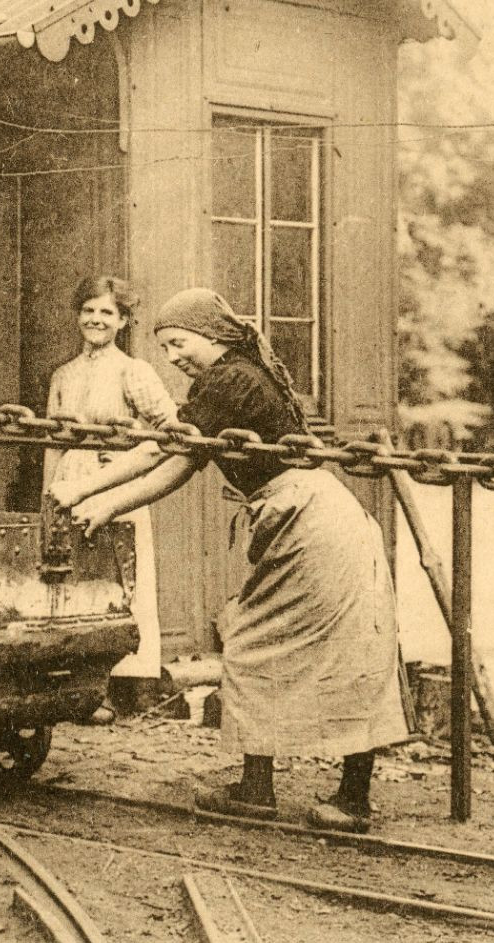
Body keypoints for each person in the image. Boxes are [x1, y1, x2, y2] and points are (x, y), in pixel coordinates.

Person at [49, 288, 407, 833]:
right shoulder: (234, 377)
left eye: (178, 343)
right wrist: (103, 502)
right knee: (340, 648)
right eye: (165, 347)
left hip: (309, 521)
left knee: (259, 641)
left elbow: (161, 453)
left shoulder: (229, 380)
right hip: (314, 515)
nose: (173, 356)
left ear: (211, 336)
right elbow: (180, 464)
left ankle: (285, 793)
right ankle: (296, 791)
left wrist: (86, 493)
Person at [44, 277, 178, 724]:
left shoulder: (132, 371)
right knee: (74, 581)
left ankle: (130, 687)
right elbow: (52, 442)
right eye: (88, 310)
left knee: (120, 581)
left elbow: (172, 427)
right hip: (70, 482)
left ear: (122, 321)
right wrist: (49, 496)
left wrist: (125, 449)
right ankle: (82, 690)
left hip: (116, 485)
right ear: (77, 315)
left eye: (106, 313)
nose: (96, 320)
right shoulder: (63, 375)